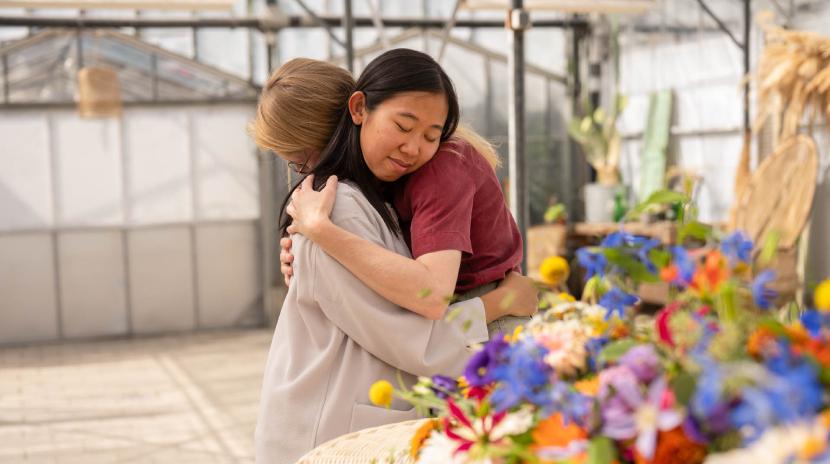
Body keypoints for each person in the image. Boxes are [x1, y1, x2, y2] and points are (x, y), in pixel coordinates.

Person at [251, 50, 535, 464]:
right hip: (327, 434)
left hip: (335, 424)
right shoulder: (335, 208)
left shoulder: (365, 198)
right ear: (357, 111)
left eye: (296, 160)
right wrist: (501, 303)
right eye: (403, 127)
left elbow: (414, 309)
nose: (301, 175)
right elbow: (411, 335)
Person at [262, 58, 532, 338]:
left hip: (480, 322)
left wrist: (321, 232)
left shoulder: (439, 168)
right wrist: (306, 256)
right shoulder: (382, 176)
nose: (314, 178)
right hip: (458, 317)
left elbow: (432, 296)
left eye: (303, 162)